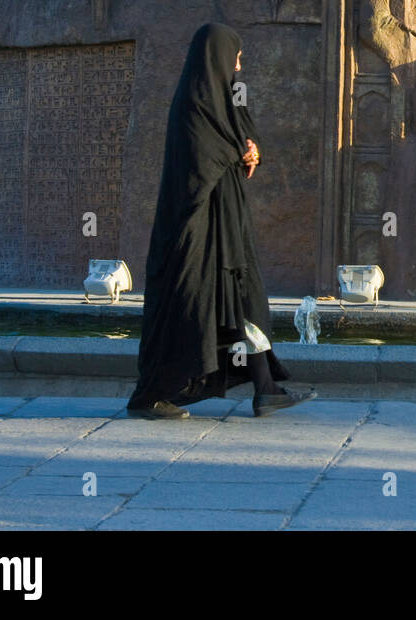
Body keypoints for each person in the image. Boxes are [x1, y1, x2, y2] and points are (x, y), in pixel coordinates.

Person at [126, 23, 315, 420]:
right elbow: (202, 158)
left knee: (244, 302)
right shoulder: (193, 103)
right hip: (196, 231)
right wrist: (235, 149)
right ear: (216, 56)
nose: (240, 65)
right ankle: (151, 396)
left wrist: (251, 150)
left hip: (227, 227)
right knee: (190, 305)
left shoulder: (226, 99)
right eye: (236, 56)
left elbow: (243, 137)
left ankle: (266, 389)